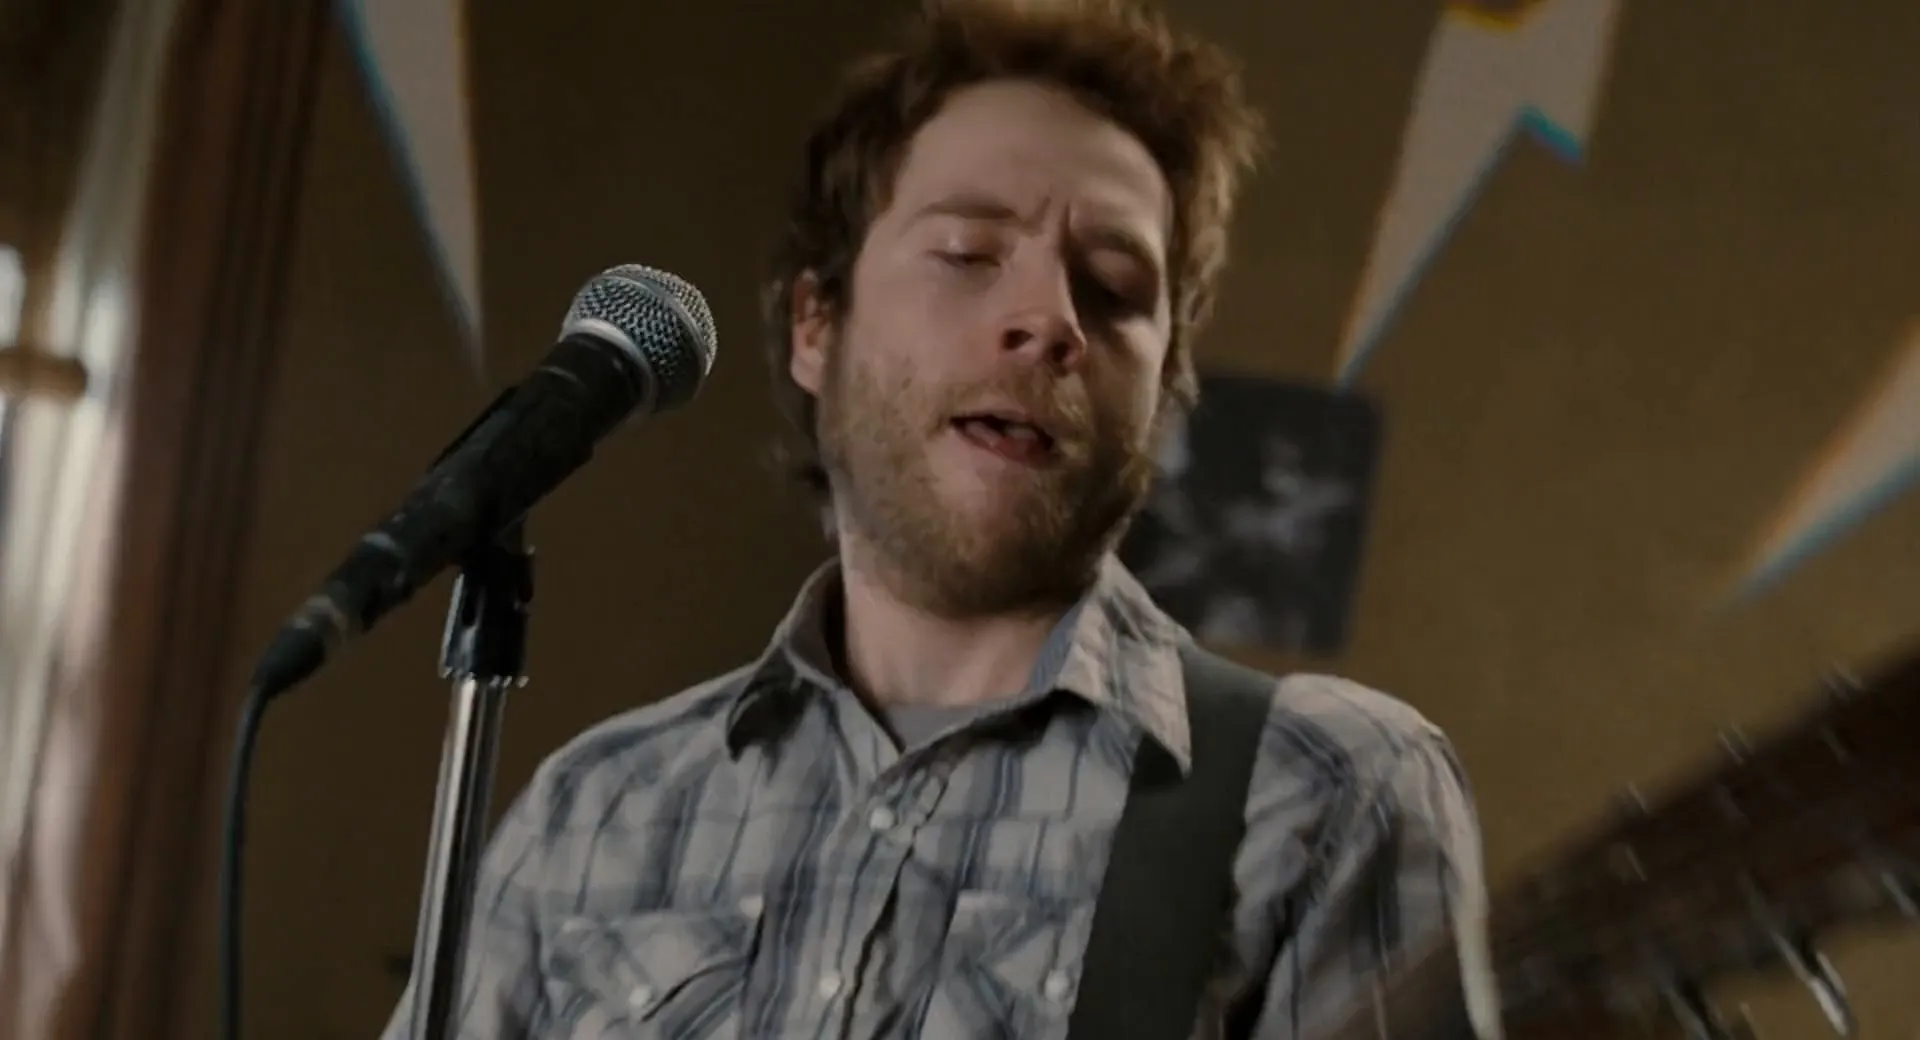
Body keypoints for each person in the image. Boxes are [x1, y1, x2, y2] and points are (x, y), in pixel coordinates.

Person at [382, 0, 1493, 1036]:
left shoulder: (1328, 789)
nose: (1050, 320)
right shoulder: (593, 812)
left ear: (1163, 386)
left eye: (1113, 288)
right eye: (967, 254)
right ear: (817, 324)